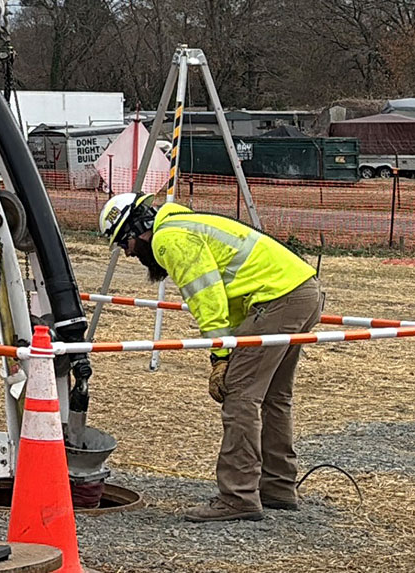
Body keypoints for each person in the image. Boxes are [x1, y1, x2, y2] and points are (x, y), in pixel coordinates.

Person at [99, 192, 324, 523]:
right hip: (302, 293)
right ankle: (277, 487)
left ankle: (238, 497)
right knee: (275, 397)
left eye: (124, 244)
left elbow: (208, 297)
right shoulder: (186, 224)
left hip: (278, 300)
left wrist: (220, 357)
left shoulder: (168, 239)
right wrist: (230, 345)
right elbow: (230, 296)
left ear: (137, 229)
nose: (128, 254)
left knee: (240, 396)